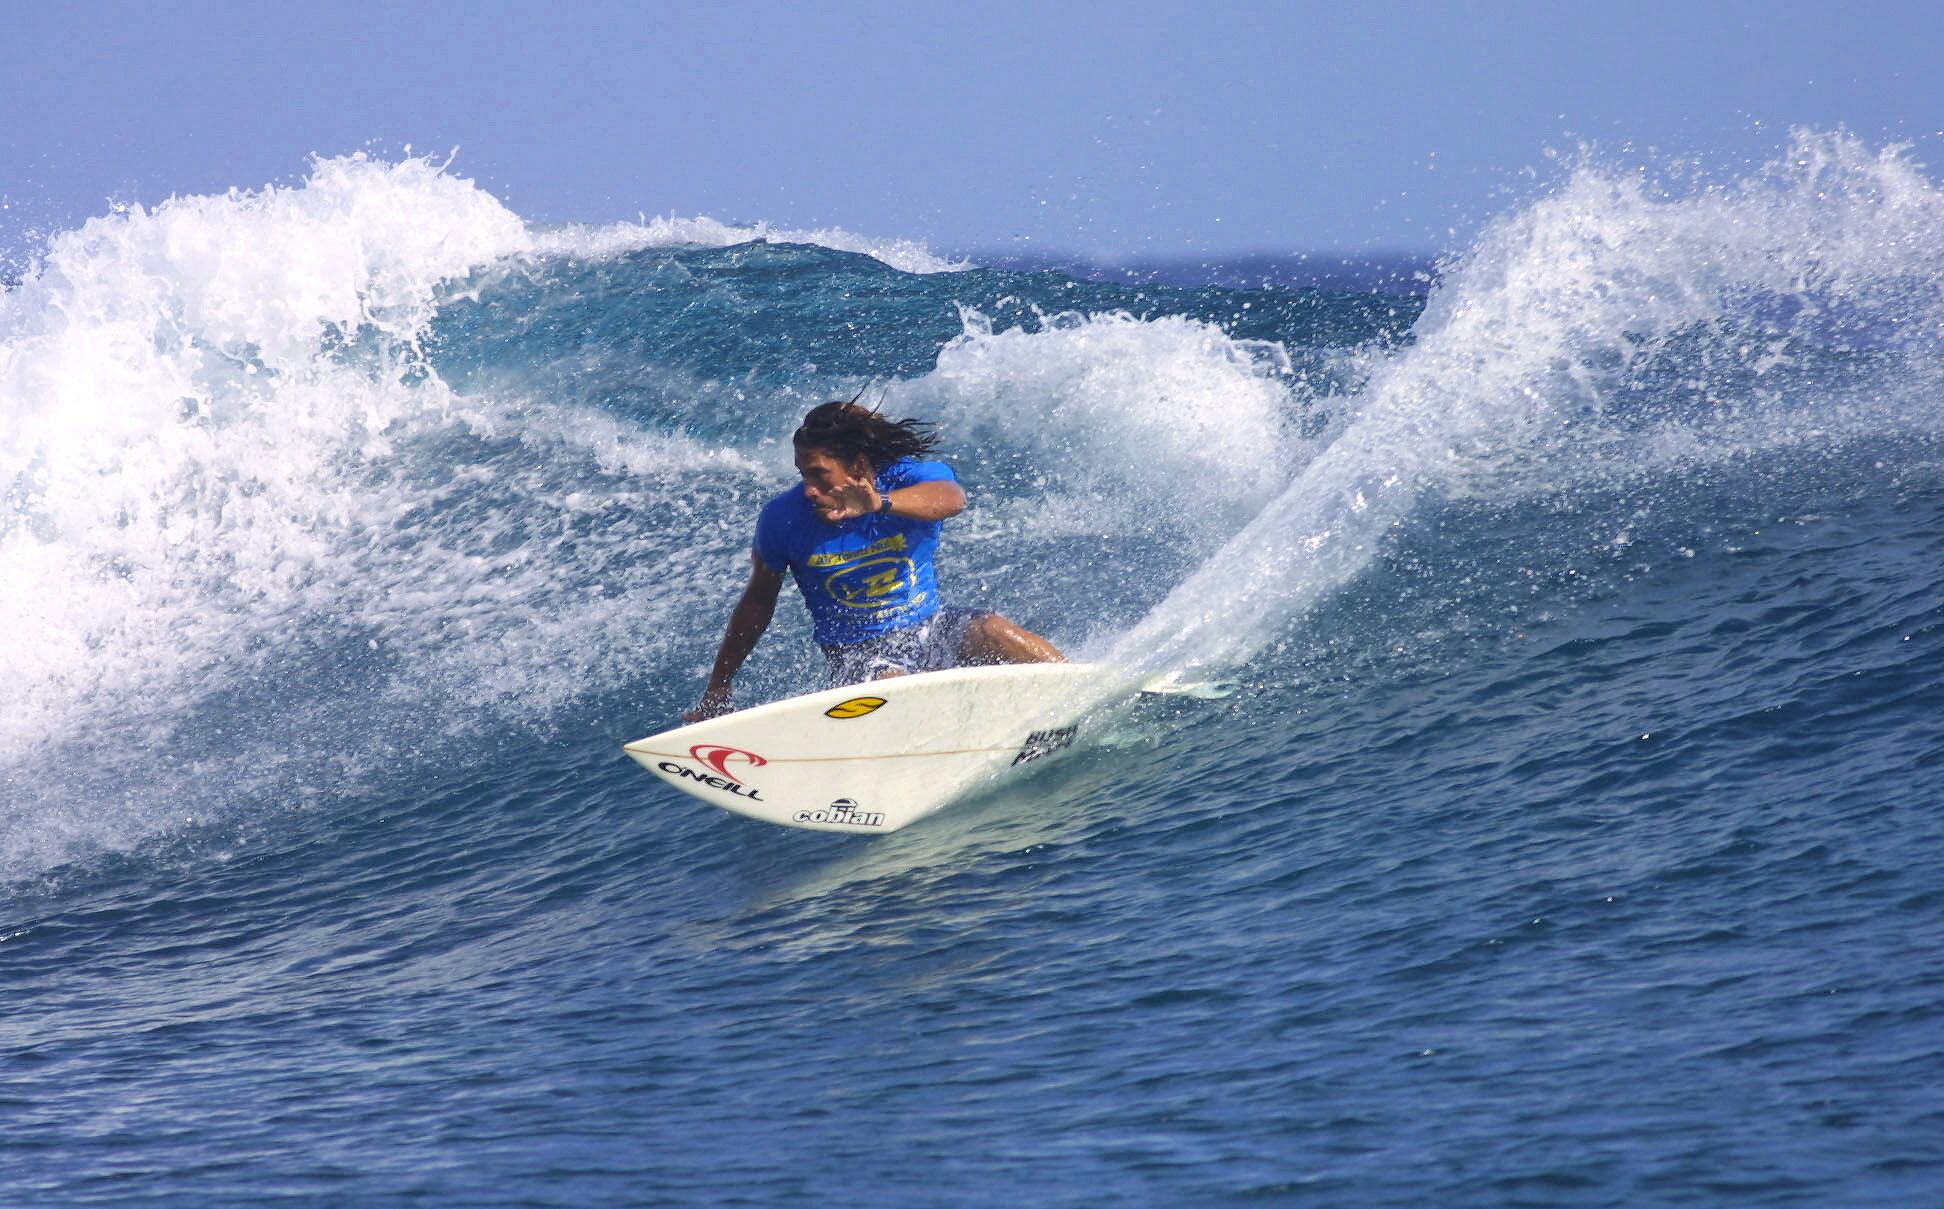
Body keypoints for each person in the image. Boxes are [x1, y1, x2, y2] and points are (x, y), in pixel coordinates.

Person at [685, 401, 1063, 722]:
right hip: (859, 654)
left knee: (993, 629)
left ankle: (1070, 697)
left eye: (820, 474)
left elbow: (951, 499)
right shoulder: (783, 519)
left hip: (934, 627)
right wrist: (720, 685)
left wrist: (879, 504)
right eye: (803, 475)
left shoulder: (907, 480)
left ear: (858, 466)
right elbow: (757, 603)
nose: (810, 489)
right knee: (892, 685)